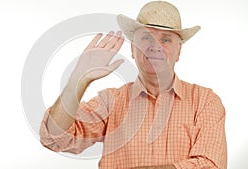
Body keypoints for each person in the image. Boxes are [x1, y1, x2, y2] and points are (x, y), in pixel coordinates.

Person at [40, 1, 227, 169]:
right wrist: (78, 78)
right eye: (146, 37)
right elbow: (56, 138)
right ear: (132, 48)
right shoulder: (111, 101)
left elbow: (211, 165)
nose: (155, 46)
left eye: (166, 39)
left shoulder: (205, 101)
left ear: (178, 51)